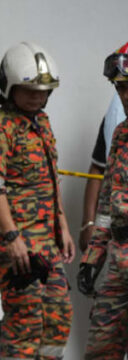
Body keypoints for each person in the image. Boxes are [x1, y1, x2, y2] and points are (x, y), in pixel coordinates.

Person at [0, 42, 73, 360]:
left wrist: (61, 222)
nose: (37, 97)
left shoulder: (40, 124)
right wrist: (13, 236)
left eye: (43, 91)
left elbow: (50, 177)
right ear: (9, 88)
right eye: (29, 90)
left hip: (46, 242)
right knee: (26, 319)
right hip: (16, 246)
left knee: (59, 315)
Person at [57, 45, 128, 360]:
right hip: (118, 258)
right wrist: (92, 255)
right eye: (118, 87)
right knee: (102, 351)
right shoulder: (122, 136)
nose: (123, 95)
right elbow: (108, 202)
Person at [80, 43, 128, 252]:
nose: (125, 96)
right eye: (120, 87)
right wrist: (89, 223)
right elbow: (100, 169)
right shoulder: (118, 130)